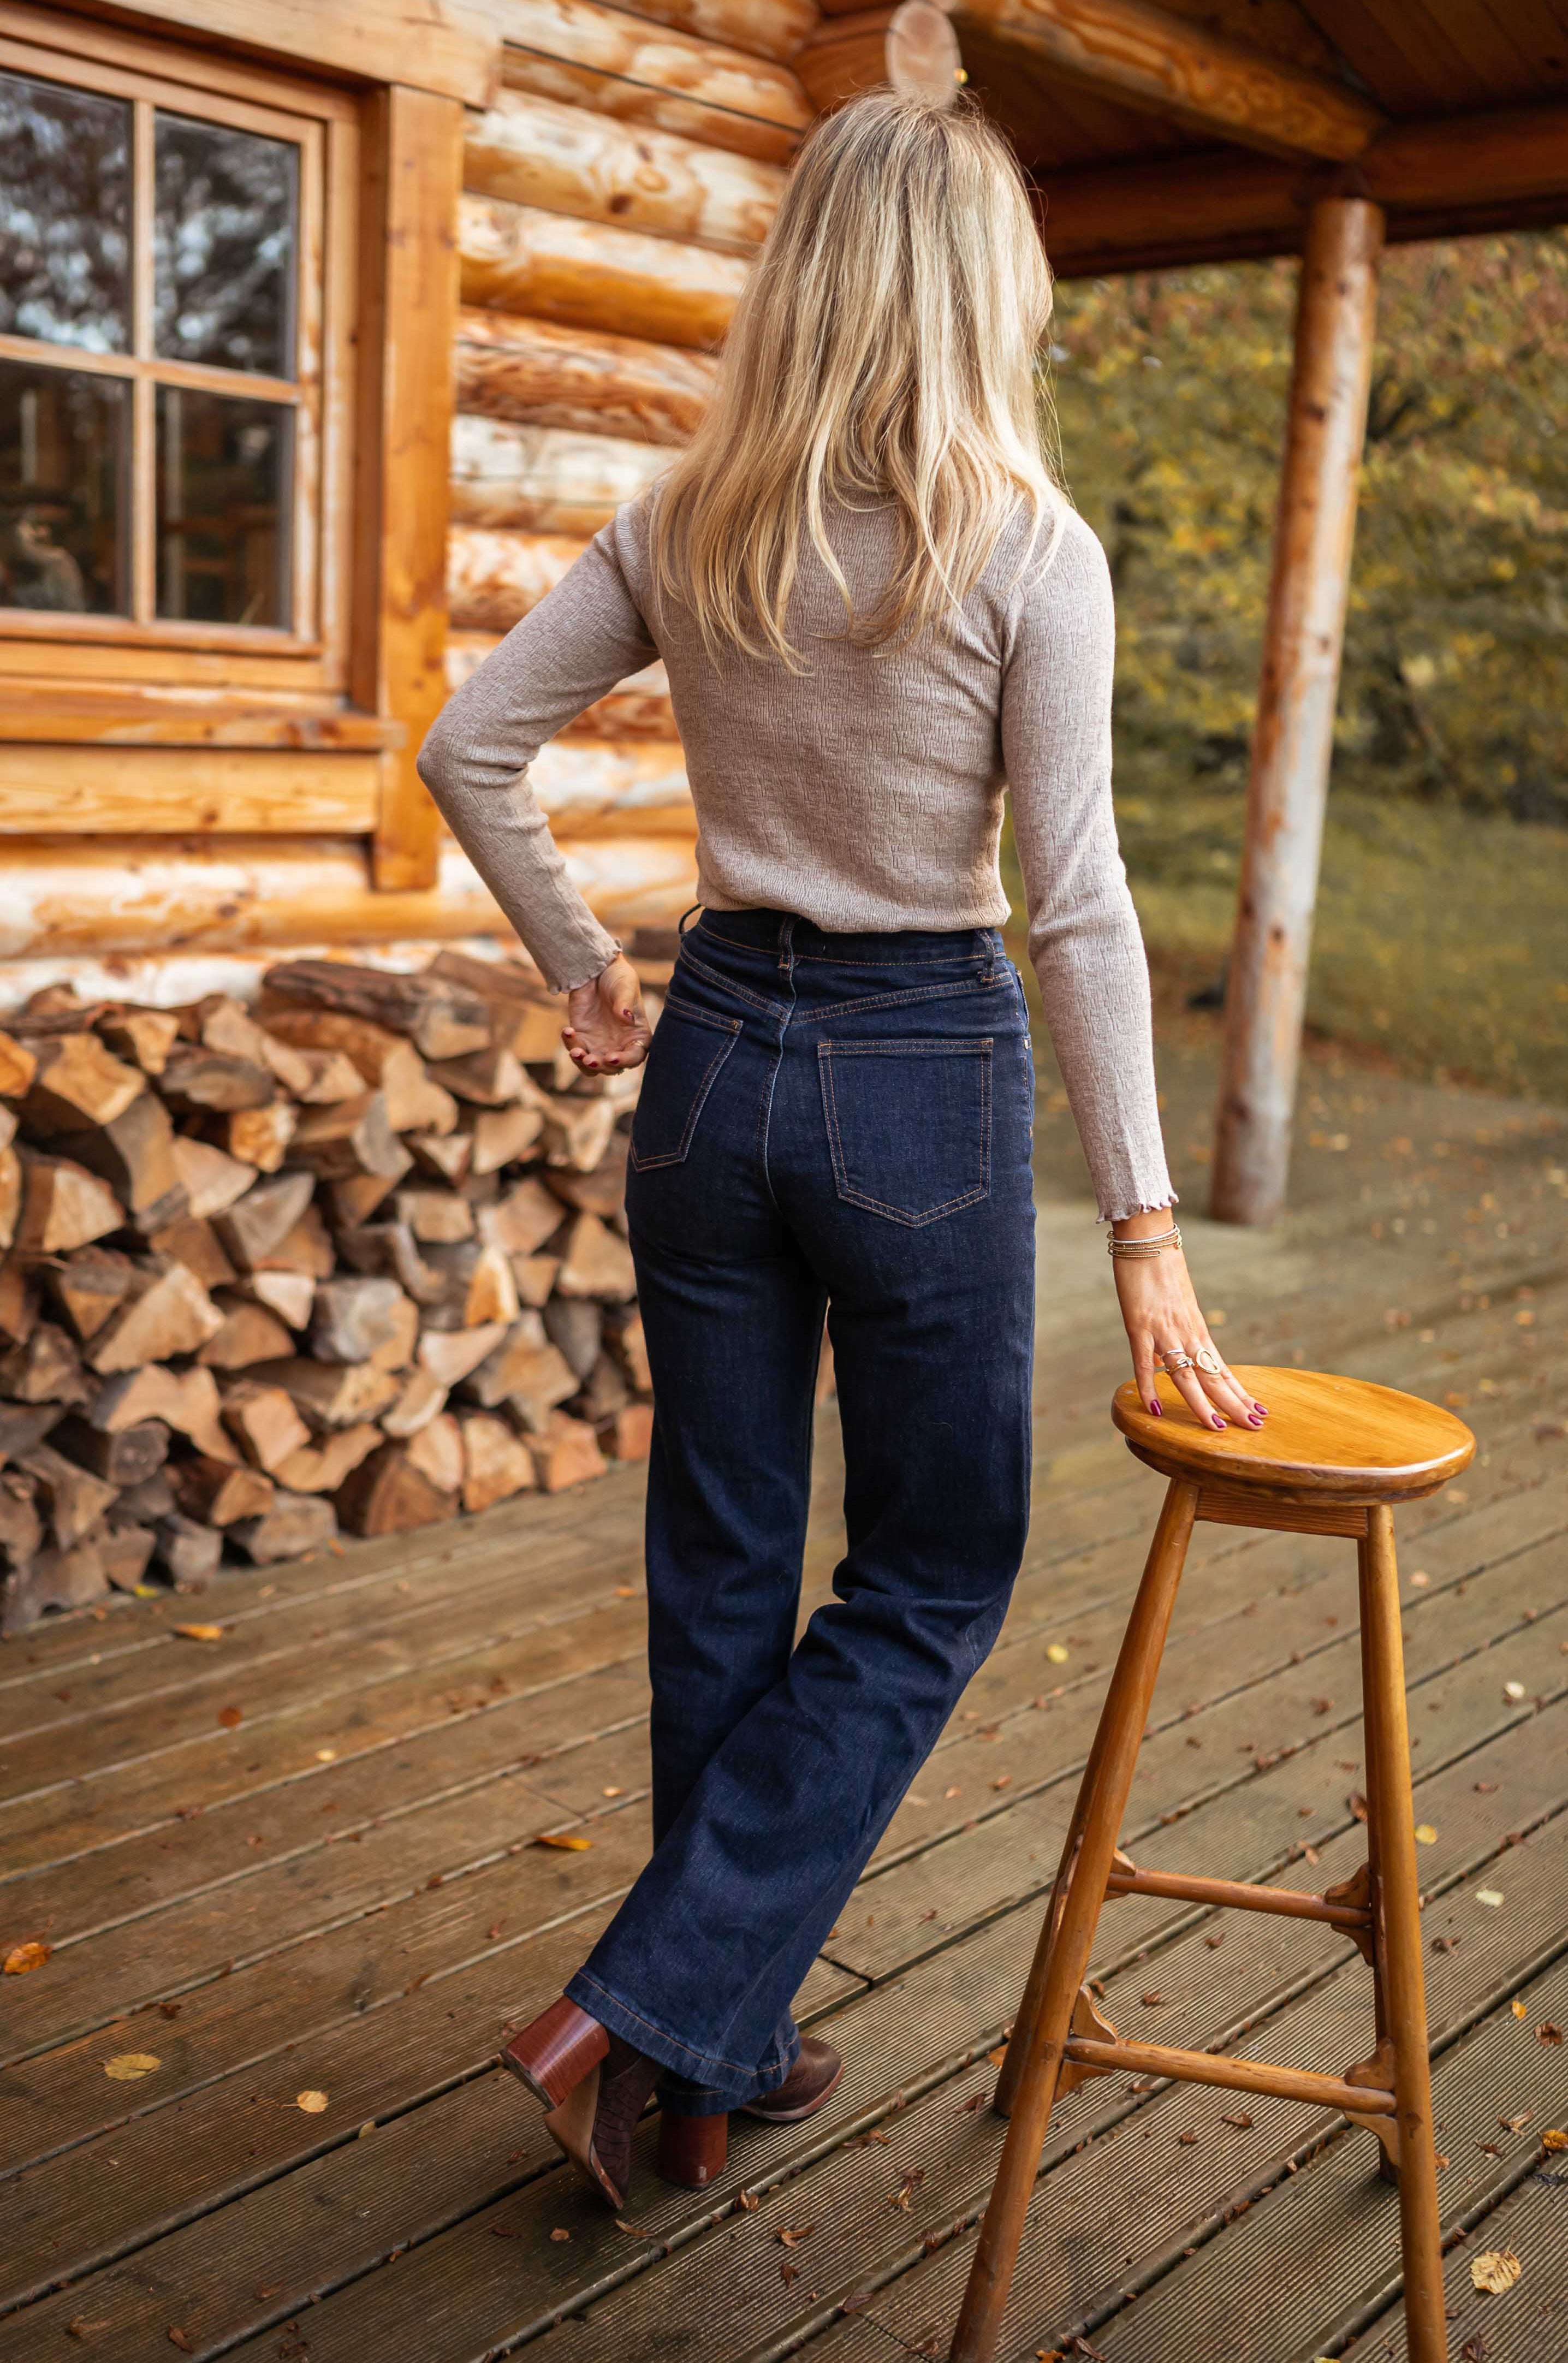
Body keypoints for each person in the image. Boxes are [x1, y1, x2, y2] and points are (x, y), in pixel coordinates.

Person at [416, 88, 1267, 2211]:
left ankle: (707, 2053)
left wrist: (584, 970)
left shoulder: (687, 520)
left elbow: (467, 745)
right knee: (933, 1564)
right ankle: (653, 1995)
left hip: (709, 1060)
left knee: (720, 1563)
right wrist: (1147, 1231)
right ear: (984, 291)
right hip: (914, 1079)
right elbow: (1073, 902)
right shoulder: (1019, 545)